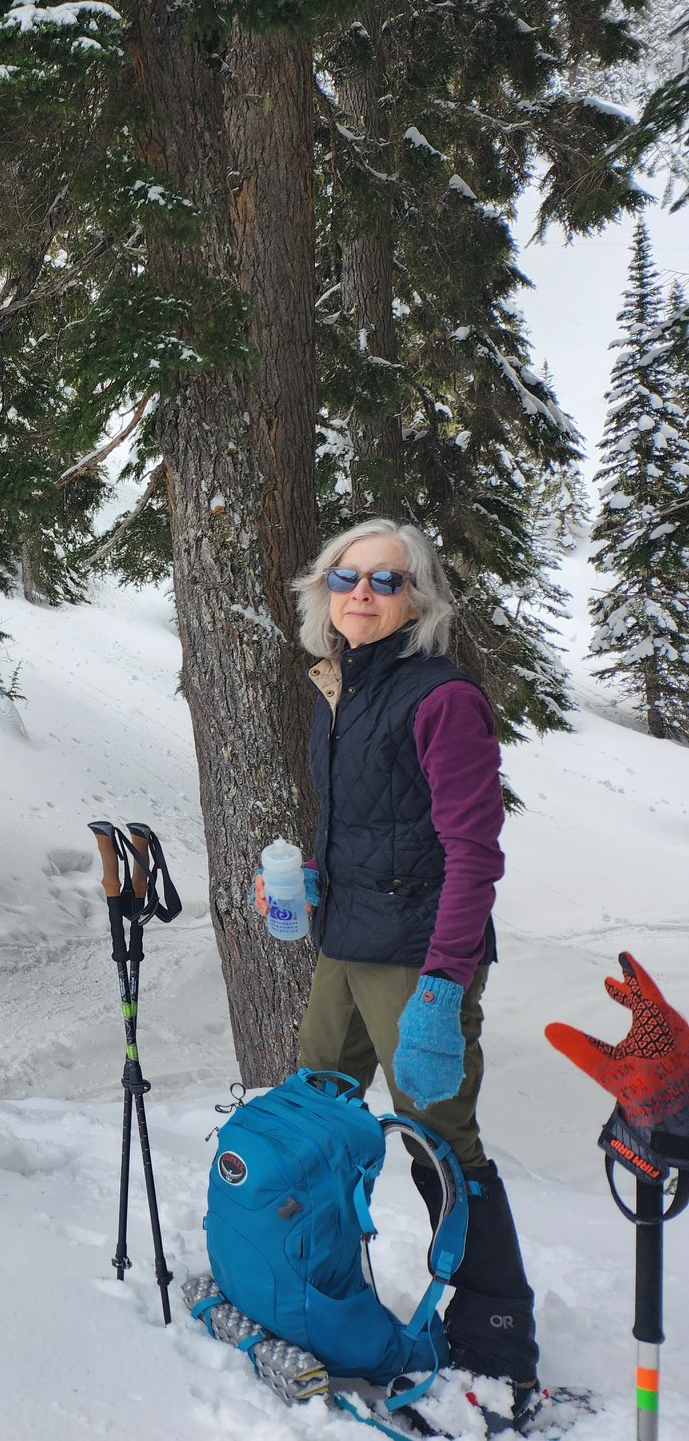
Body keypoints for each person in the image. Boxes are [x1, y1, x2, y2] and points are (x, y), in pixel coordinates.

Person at [282, 518, 538, 1409]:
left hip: (418, 959)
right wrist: (312, 875)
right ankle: (314, 1289)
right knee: (315, 1119)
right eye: (348, 577)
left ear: (417, 601)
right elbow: (374, 823)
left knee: (440, 1141)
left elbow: (474, 855)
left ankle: (497, 1332)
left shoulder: (442, 698)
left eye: (385, 582)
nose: (362, 593)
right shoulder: (340, 690)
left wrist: (443, 985)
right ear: (325, 590)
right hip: (345, 944)